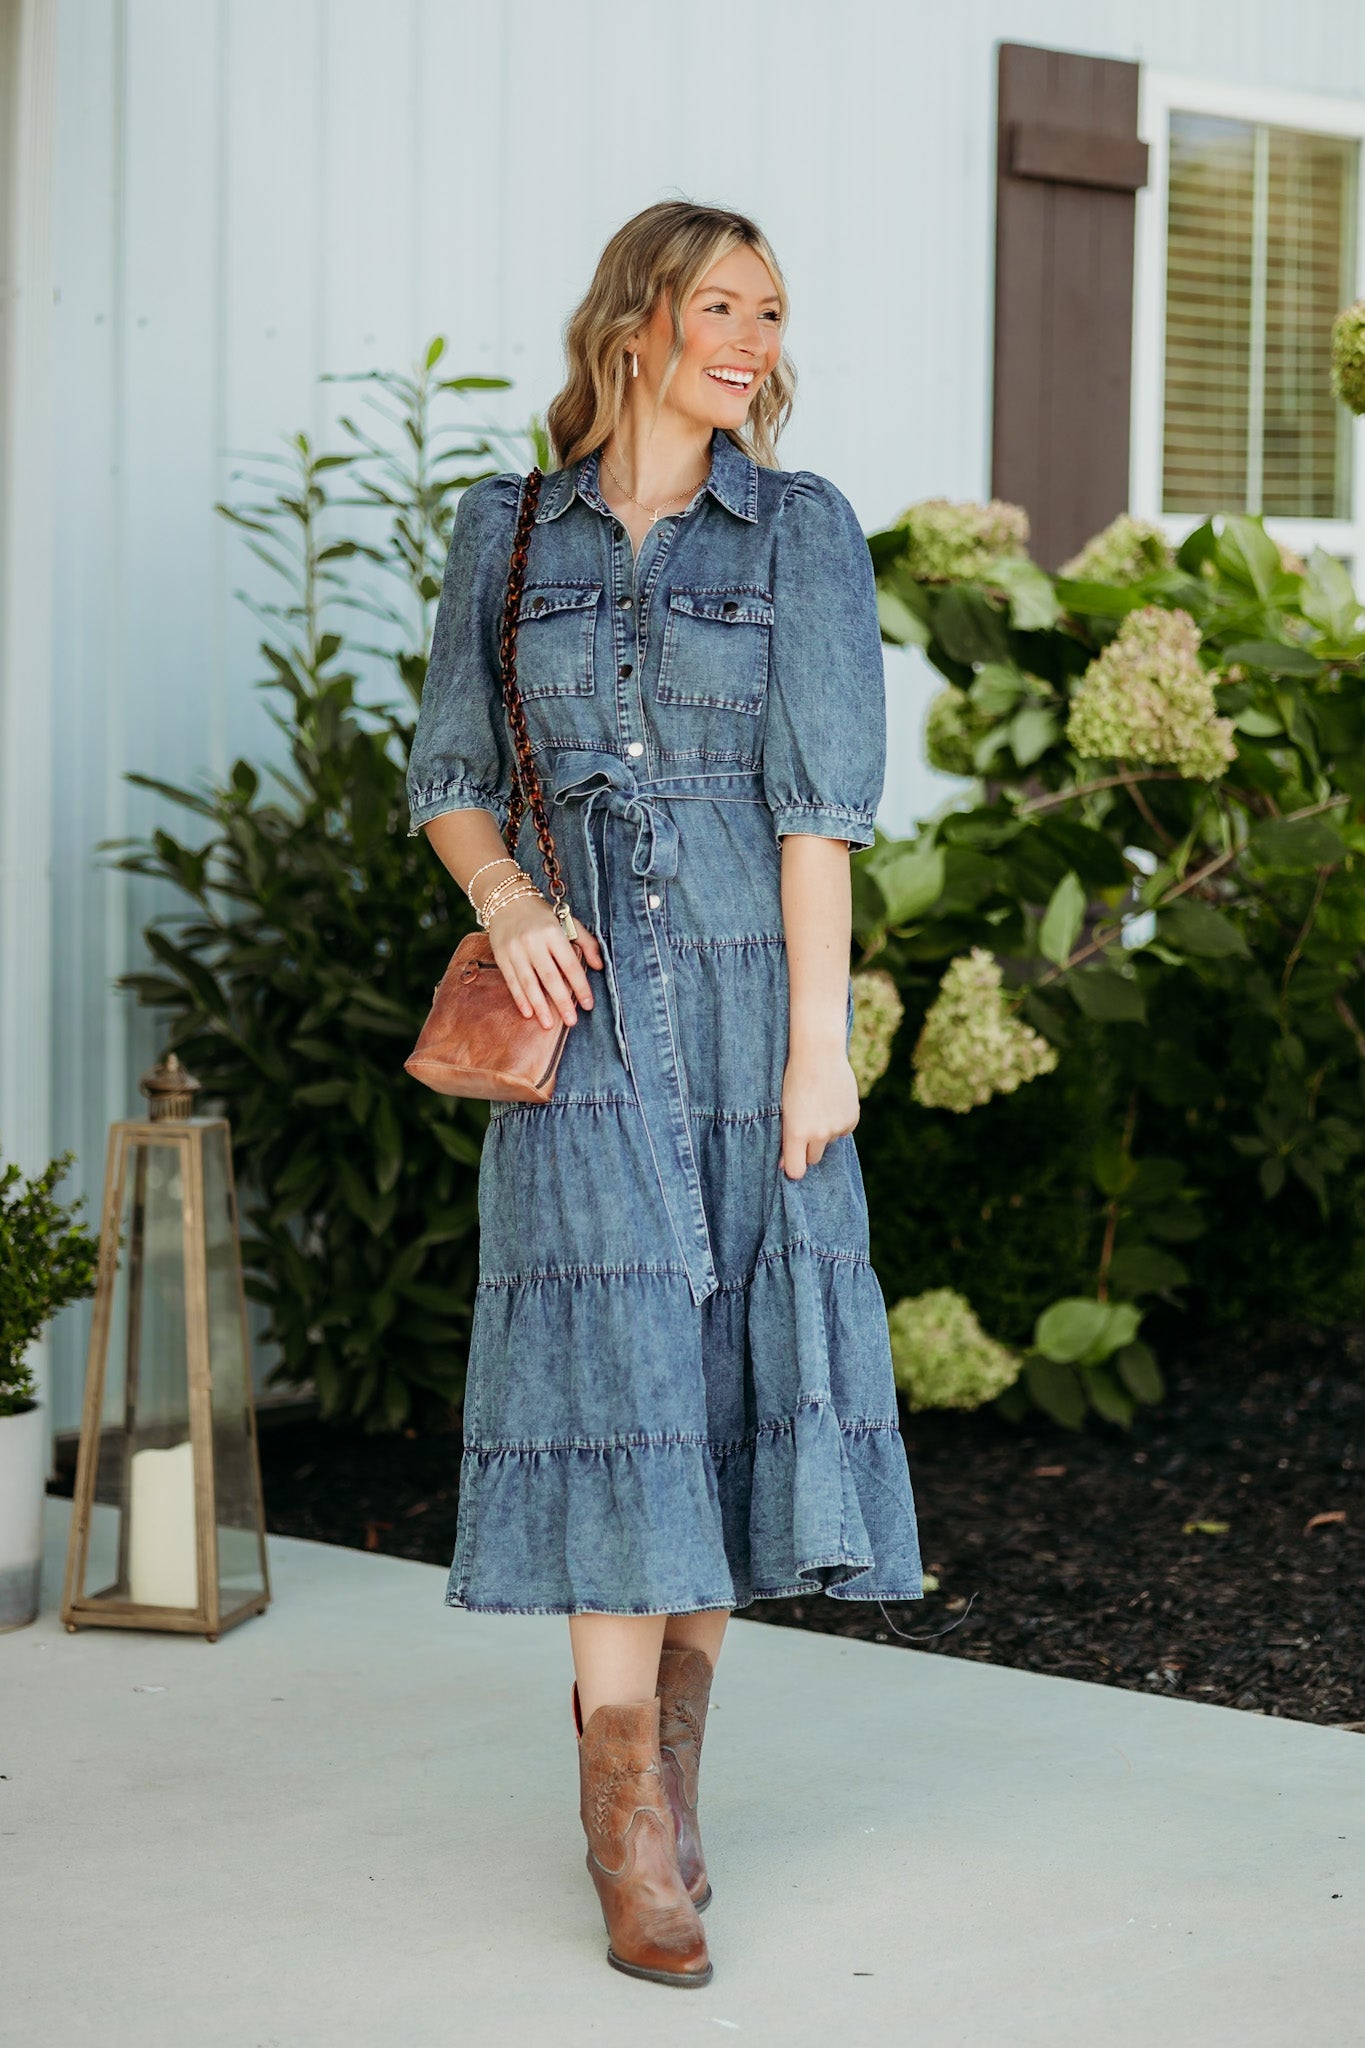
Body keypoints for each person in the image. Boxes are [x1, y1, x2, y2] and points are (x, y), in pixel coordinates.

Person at [407, 198, 923, 1990]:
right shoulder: (508, 528)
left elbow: (818, 813)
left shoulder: (803, 535)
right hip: (579, 1013)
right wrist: (507, 900)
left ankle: (668, 1790)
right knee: (613, 1369)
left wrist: (815, 1042)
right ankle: (620, 1823)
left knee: (713, 1383)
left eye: (773, 314)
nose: (755, 341)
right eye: (723, 305)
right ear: (636, 319)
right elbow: (453, 773)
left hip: (739, 1012)